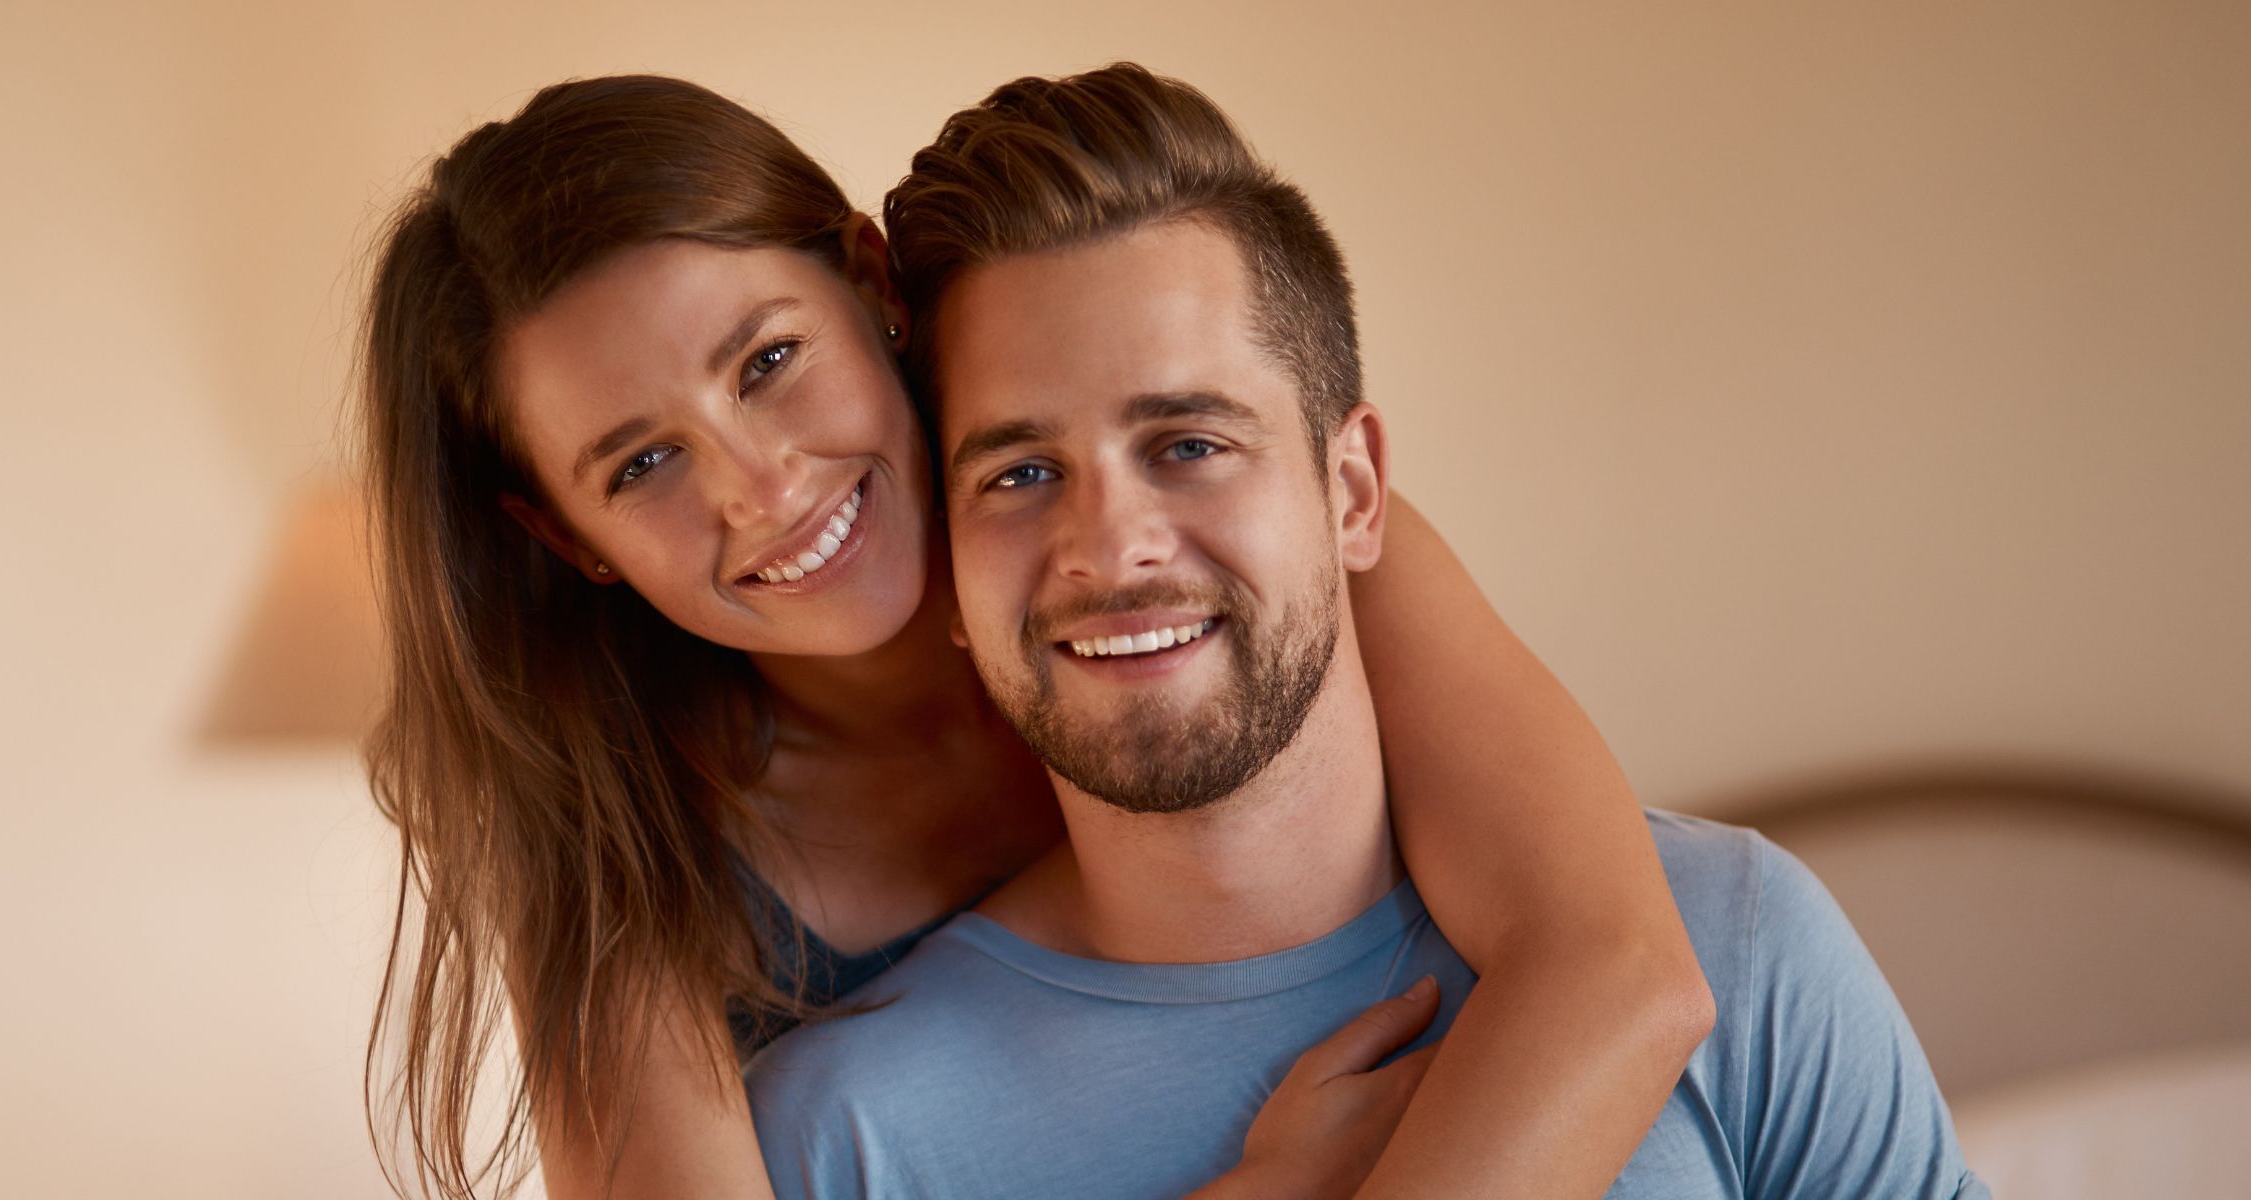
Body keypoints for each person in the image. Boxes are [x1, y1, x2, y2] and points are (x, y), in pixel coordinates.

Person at [358, 73, 1711, 1200]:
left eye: (769, 362)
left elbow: (1620, 970)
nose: (761, 489)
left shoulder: (1229, 542)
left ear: (870, 285)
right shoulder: (614, 840)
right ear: (569, 538)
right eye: (643, 464)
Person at [744, 63, 1988, 1199]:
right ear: (950, 576)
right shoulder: (845, 1139)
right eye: (1019, 475)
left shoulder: (1736, 939)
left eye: (1189, 445)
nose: (1110, 548)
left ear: (1351, 493)